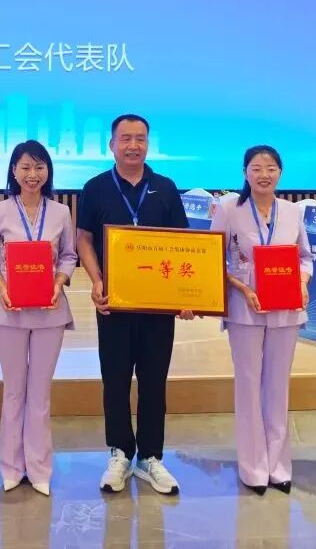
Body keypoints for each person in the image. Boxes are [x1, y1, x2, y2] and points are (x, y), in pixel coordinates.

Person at [76, 114, 194, 496]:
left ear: (148, 143)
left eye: (140, 138)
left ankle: (151, 457)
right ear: (111, 144)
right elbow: (84, 239)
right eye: (125, 138)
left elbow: (182, 244)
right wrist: (97, 280)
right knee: (114, 380)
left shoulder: (166, 187)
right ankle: (120, 453)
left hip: (158, 307)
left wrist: (184, 295)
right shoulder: (95, 187)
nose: (133, 145)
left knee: (154, 381)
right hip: (114, 303)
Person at [209, 145, 312, 495]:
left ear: (280, 173)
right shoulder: (228, 209)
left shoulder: (293, 211)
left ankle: (279, 466)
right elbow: (214, 259)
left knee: (278, 386)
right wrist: (242, 287)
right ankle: (253, 467)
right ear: (245, 173)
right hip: (245, 309)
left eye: (270, 168)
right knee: (249, 385)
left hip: (286, 309)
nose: (264, 174)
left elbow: (305, 257)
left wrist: (302, 281)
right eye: (256, 168)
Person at [0, 140, 78, 497]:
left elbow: (68, 256)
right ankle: (11, 466)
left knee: (40, 393)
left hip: (50, 312)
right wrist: (1, 286)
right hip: (9, 311)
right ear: (13, 171)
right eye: (25, 167)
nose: (32, 174)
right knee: (13, 391)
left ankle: (39, 468)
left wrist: (59, 282)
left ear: (48, 171)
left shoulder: (61, 212)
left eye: (39, 167)